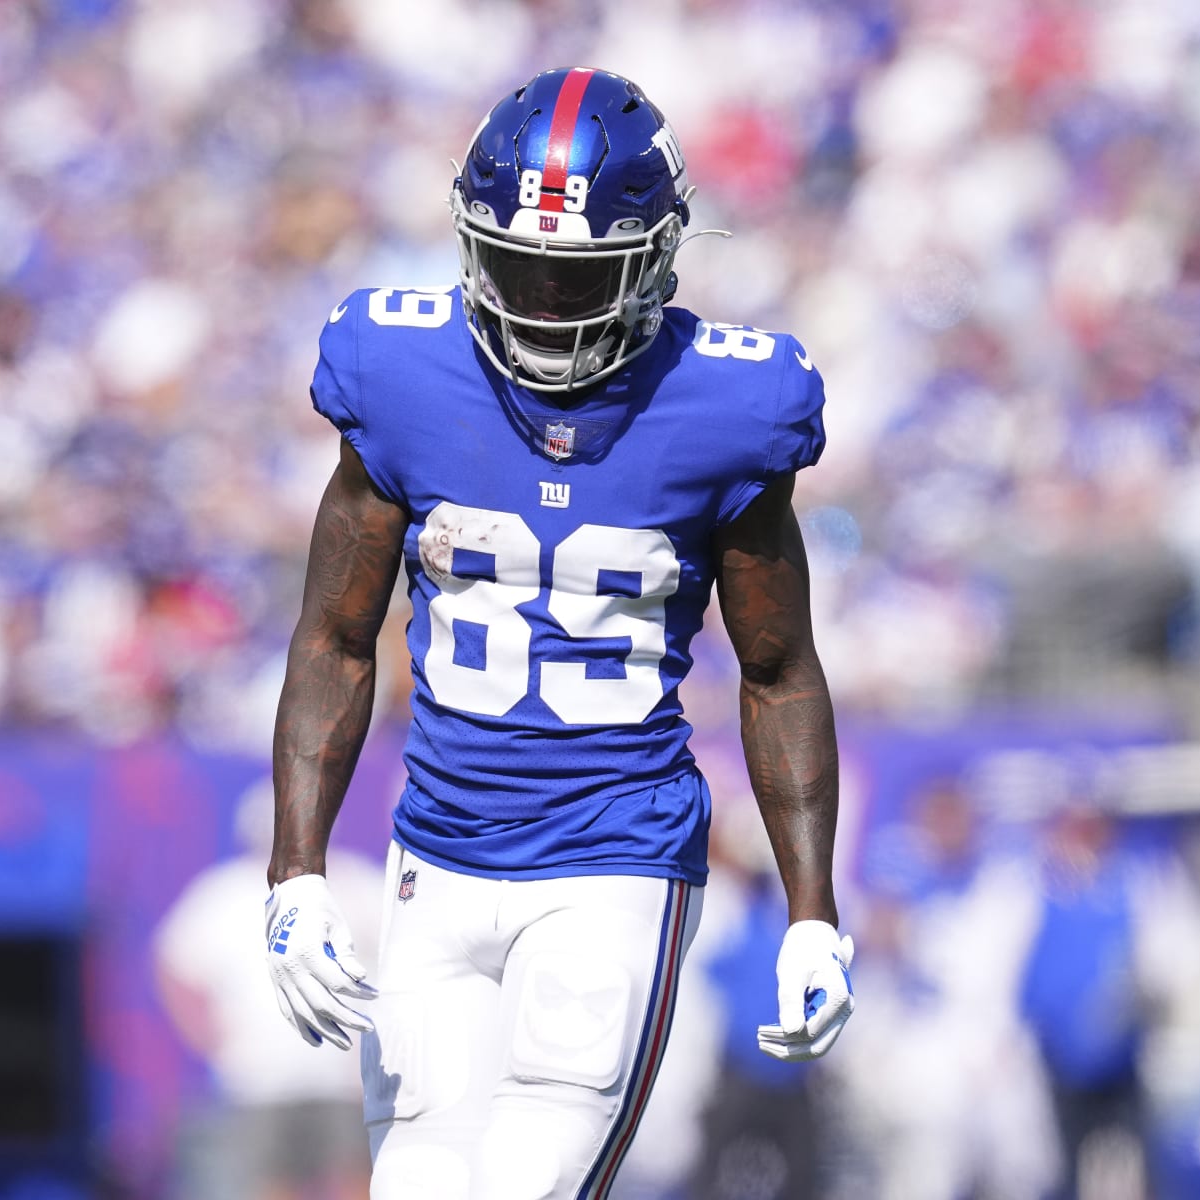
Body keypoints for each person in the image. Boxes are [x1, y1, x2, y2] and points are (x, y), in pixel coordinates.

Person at [259, 67, 854, 1200]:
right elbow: (333, 637)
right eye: (520, 265)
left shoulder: (730, 407)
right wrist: (293, 875)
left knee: (526, 1184)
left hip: (613, 858)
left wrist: (812, 914)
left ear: (658, 255)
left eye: (577, 274)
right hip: (433, 851)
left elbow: (778, 671)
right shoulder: (401, 372)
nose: (543, 305)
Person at [154, 783, 383, 1200]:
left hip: (343, 1075)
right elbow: (174, 965)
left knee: (352, 1178)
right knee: (271, 1182)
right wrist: (210, 1038)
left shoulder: (355, 882)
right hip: (258, 1076)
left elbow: (400, 951)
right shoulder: (225, 893)